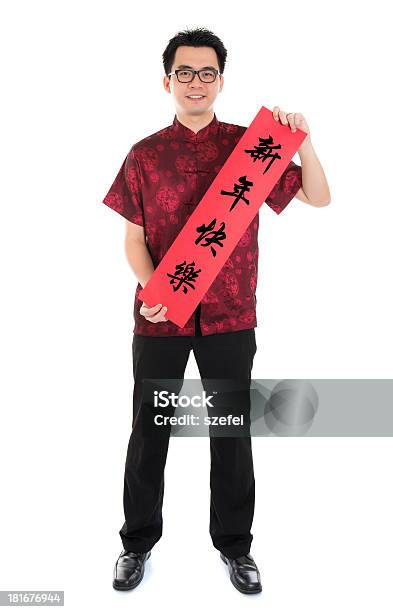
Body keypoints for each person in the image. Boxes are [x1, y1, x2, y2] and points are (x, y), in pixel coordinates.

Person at [101, 27, 331, 595]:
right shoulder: (144, 154)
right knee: (149, 430)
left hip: (231, 317)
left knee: (231, 434)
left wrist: (302, 139)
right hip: (160, 318)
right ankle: (136, 543)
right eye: (185, 72)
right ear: (167, 81)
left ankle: (236, 548)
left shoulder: (252, 148)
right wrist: (155, 289)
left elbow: (319, 196)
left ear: (221, 81)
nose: (196, 82)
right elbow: (134, 240)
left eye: (207, 72)